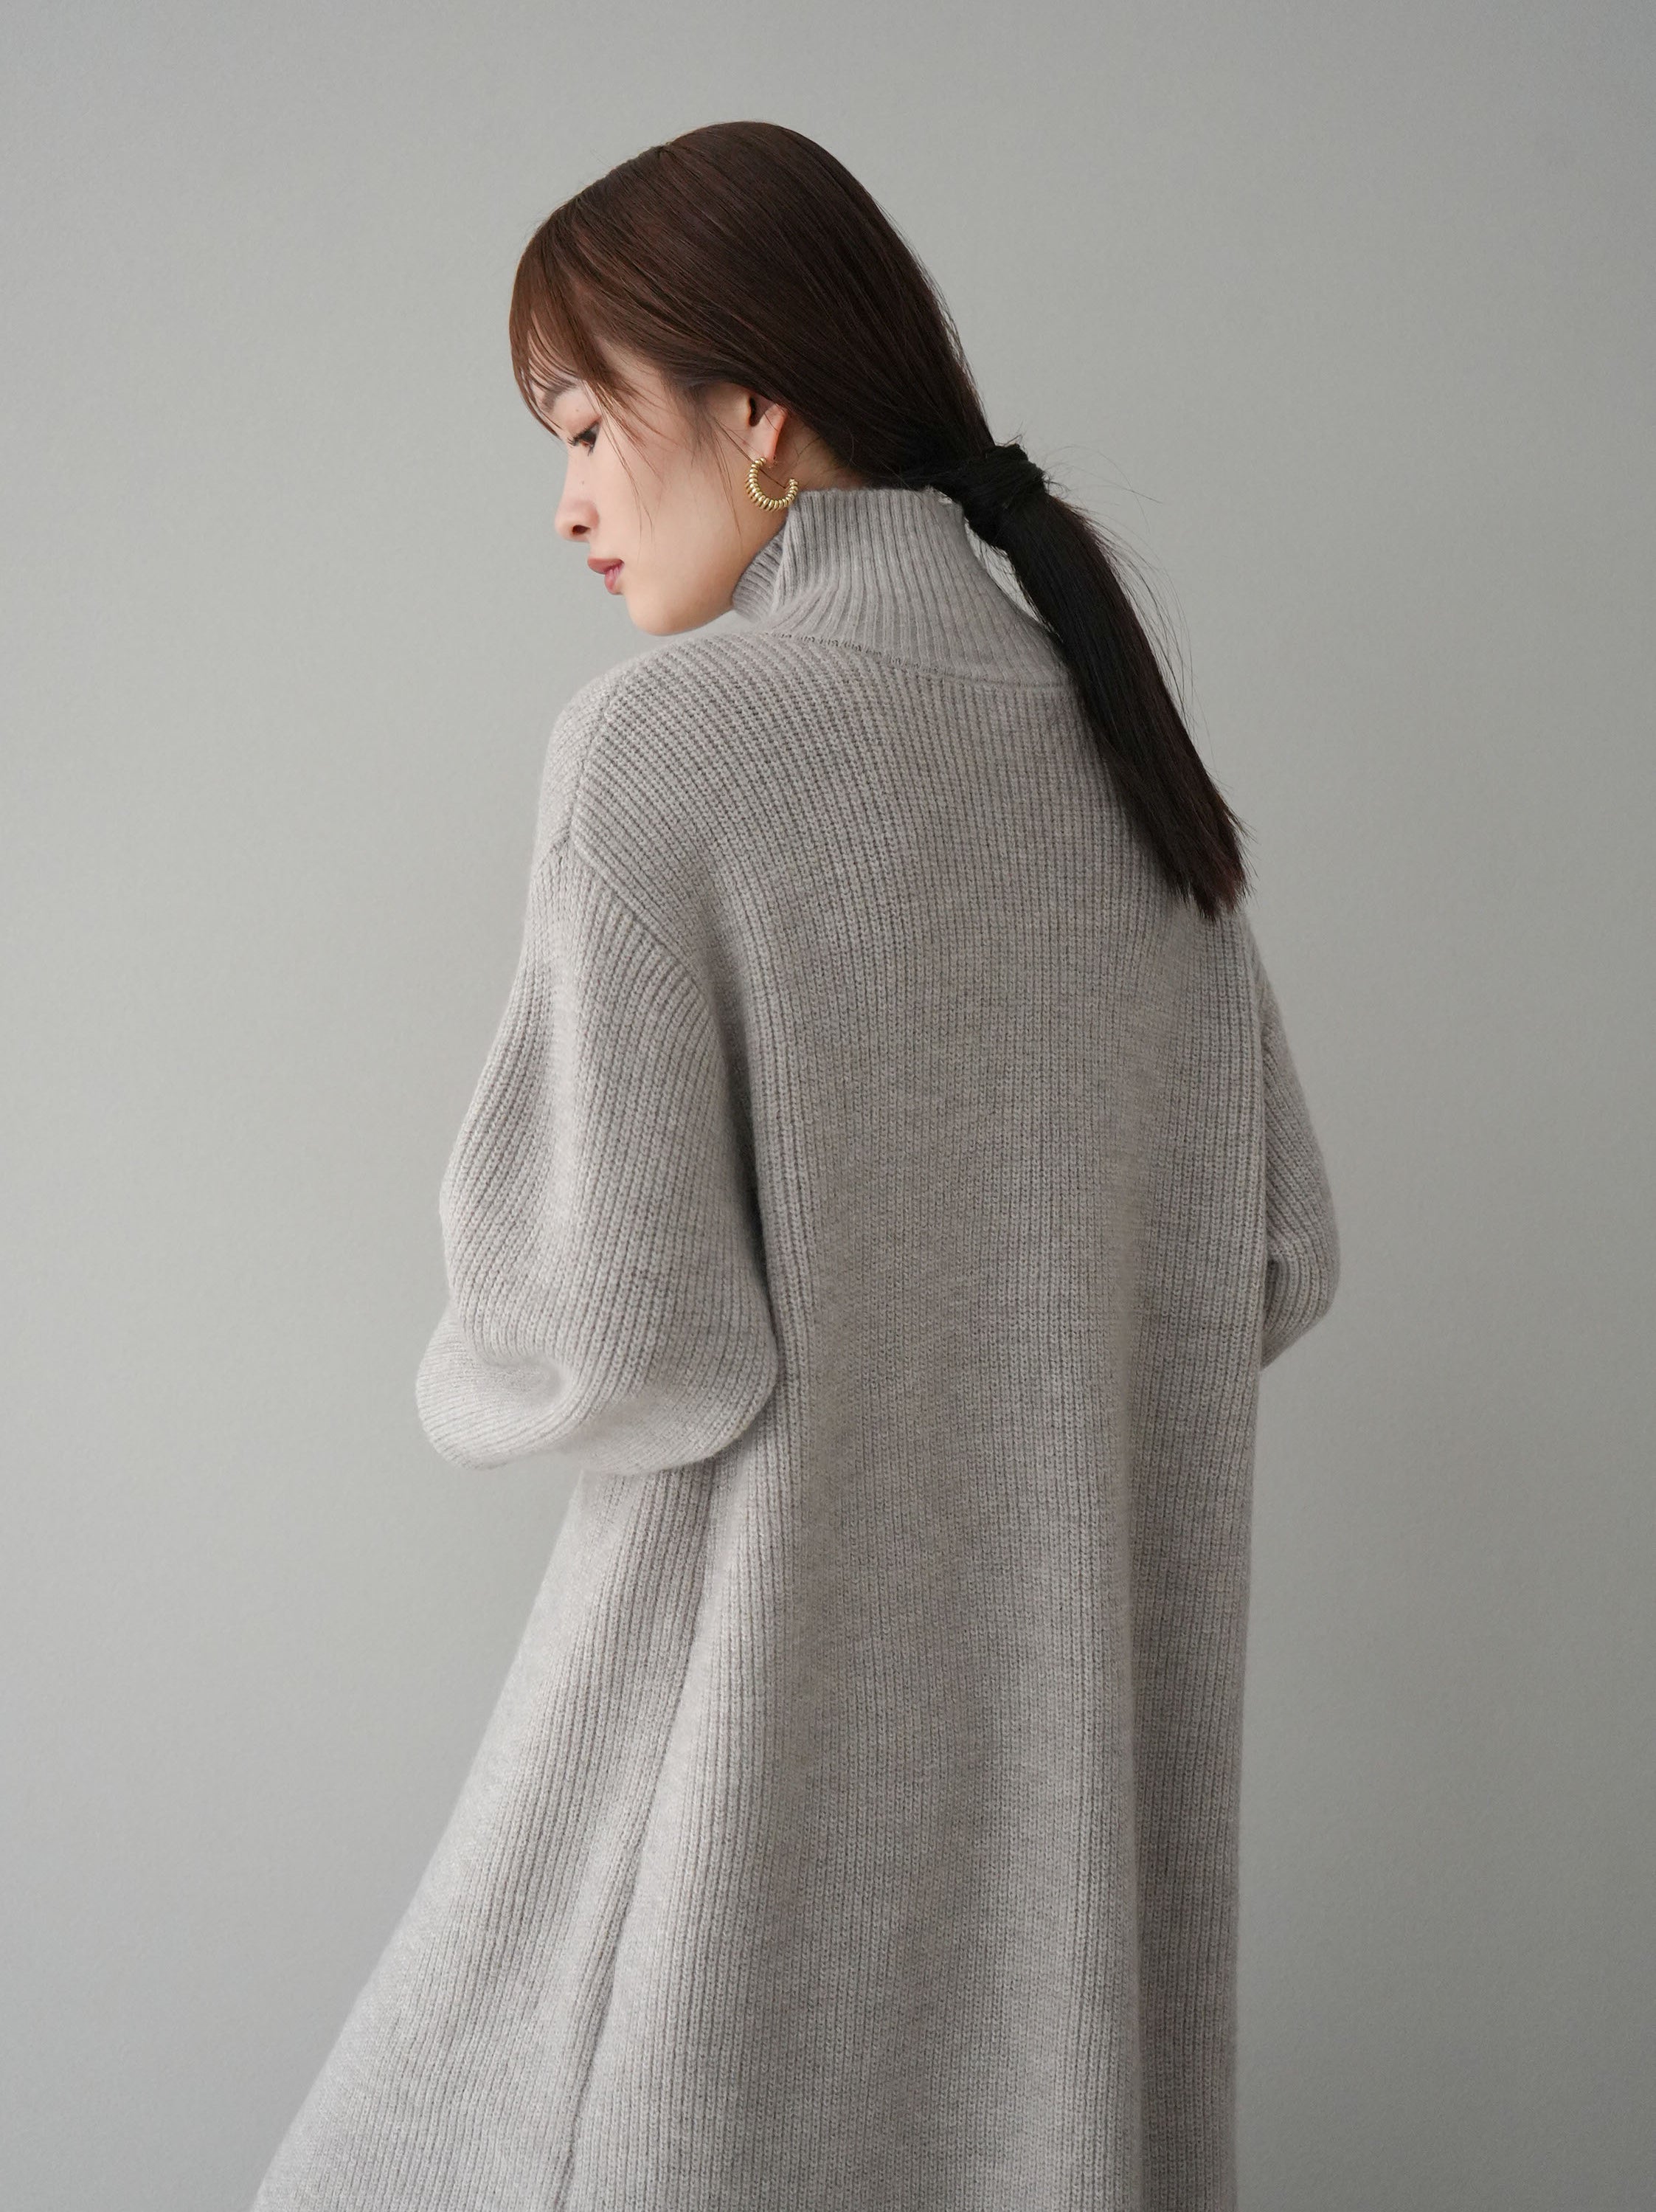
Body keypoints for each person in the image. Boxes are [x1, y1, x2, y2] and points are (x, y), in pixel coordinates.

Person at [251, 119, 1339, 2212]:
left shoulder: (665, 745)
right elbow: (1272, 1254)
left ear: (756, 419)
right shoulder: (1133, 771)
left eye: (588, 427)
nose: (568, 501)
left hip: (730, 1815)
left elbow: (616, 1337)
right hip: (1068, 1860)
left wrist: (464, 1366)